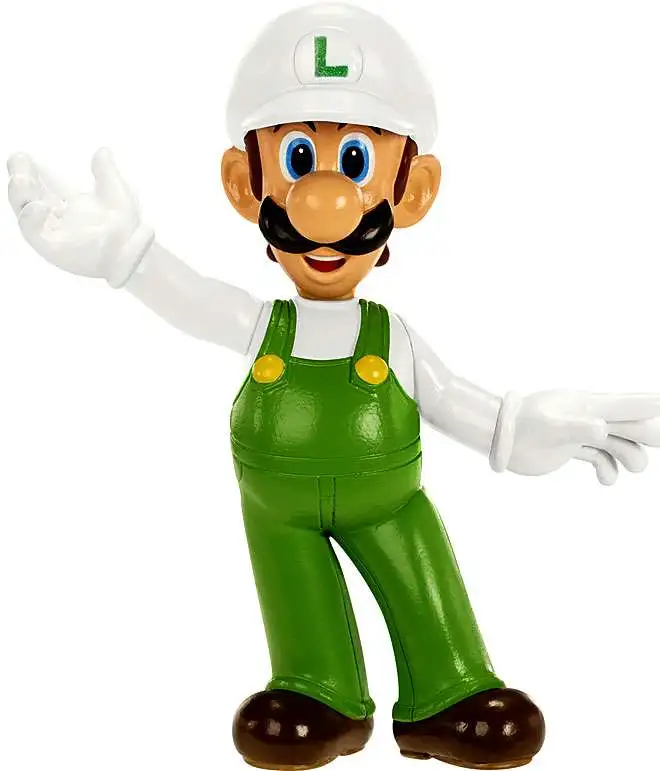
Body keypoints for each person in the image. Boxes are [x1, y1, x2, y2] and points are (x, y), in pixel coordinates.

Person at [8, 3, 660, 769]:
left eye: (354, 162)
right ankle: (319, 691)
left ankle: (448, 688)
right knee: (297, 599)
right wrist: (125, 255)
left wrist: (519, 429)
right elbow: (190, 298)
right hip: (277, 513)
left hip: (390, 503)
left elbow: (455, 400)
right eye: (297, 160)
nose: (324, 203)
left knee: (423, 579)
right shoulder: (261, 325)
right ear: (245, 183)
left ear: (412, 190)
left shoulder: (395, 338)